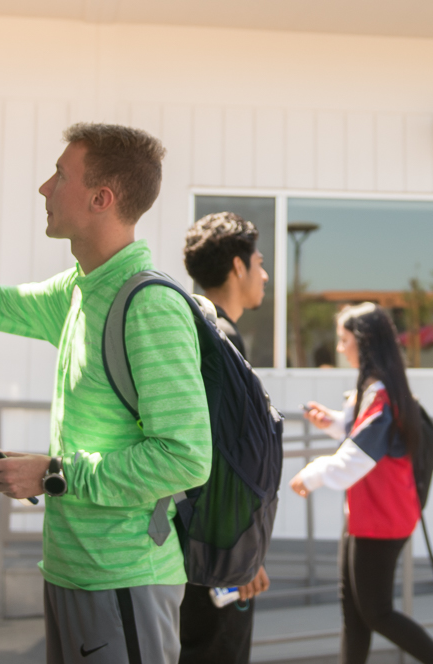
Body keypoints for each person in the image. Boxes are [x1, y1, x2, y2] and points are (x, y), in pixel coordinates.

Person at [0, 123, 210, 664]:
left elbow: (186, 459)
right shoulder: (80, 288)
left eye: (60, 175)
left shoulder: (150, 307)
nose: (44, 188)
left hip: (123, 579)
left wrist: (53, 473)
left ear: (101, 199)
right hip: (74, 572)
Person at [291, 304, 433, 664]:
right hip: (368, 516)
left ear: (363, 343)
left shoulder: (379, 393)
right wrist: (335, 422)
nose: (339, 348)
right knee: (356, 616)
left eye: (343, 340)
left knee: (375, 613)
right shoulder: (378, 387)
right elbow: (365, 439)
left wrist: (312, 474)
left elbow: (357, 458)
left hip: (380, 520)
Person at [177, 211, 273, 663]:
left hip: (191, 540)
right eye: (258, 262)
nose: (264, 273)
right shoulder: (222, 341)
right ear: (238, 266)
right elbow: (223, 459)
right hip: (215, 552)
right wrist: (241, 558)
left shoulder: (192, 327)